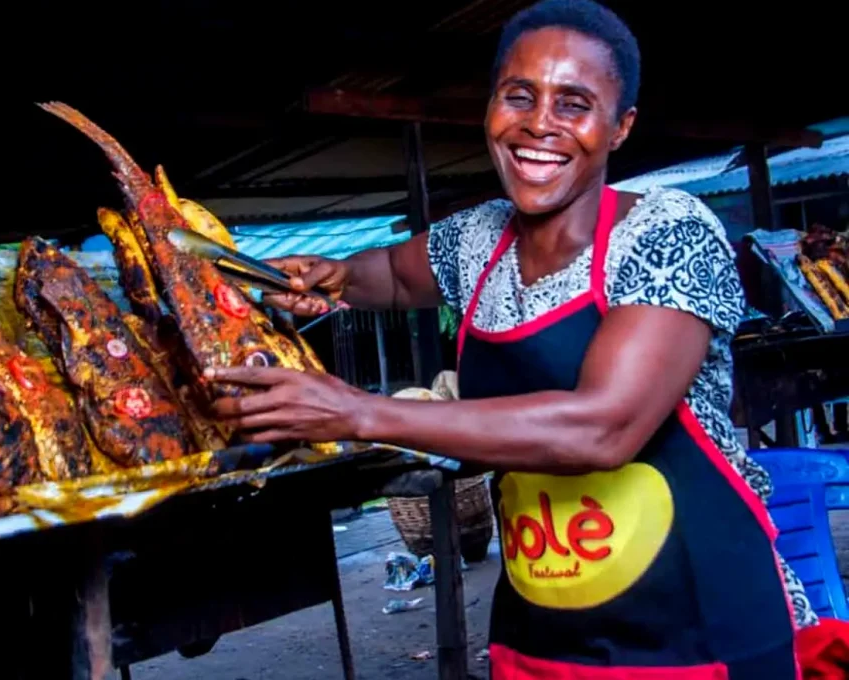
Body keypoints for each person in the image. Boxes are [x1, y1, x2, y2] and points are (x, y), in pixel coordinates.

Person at [205, 0, 816, 676]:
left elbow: (603, 429)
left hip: (701, 630)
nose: (538, 125)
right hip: (541, 631)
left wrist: (357, 411)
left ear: (620, 127)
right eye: (518, 96)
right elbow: (397, 278)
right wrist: (335, 274)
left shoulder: (667, 232)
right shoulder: (477, 238)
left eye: (574, 103)